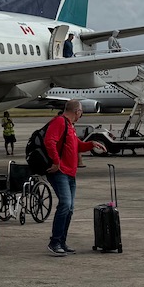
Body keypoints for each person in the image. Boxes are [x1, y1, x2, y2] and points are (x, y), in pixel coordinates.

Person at [44, 100, 86, 255]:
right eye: (81, 112)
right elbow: (49, 141)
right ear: (77, 111)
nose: (81, 115)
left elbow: (77, 146)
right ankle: (54, 242)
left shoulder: (69, 125)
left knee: (69, 208)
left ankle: (62, 241)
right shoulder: (60, 122)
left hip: (70, 173)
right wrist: (56, 162)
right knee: (65, 205)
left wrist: (92, 144)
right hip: (60, 172)